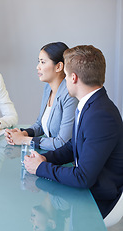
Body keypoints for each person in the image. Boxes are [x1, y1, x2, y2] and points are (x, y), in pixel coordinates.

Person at [24, 45, 123, 219]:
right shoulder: (90, 104)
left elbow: (83, 178)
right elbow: (73, 146)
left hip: (98, 200)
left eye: (66, 76)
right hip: (87, 190)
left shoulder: (100, 115)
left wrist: (41, 168)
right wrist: (46, 158)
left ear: (74, 77)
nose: (65, 82)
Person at [5, 42, 78, 151]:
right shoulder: (48, 88)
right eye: (39, 62)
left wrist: (24, 140)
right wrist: (22, 133)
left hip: (66, 160)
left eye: (43, 62)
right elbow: (40, 124)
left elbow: (62, 142)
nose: (37, 67)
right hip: (49, 153)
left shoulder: (69, 95)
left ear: (58, 66)